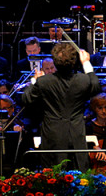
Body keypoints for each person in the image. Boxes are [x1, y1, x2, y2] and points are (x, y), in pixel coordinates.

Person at [22, 41, 100, 171]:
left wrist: (34, 80)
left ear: (55, 62)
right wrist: (86, 62)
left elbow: (26, 98)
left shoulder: (43, 81)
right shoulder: (83, 80)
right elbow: (96, 86)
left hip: (53, 136)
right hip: (76, 135)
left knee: (53, 177)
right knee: (79, 177)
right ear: (74, 61)